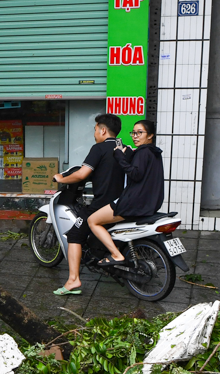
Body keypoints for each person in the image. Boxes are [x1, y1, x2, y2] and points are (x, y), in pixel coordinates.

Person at [50, 114, 124, 295]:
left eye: (95, 129)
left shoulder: (98, 148)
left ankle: (73, 280)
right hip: (122, 202)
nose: (94, 134)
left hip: (102, 204)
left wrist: (62, 178)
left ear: (103, 130)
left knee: (75, 234)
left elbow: (82, 174)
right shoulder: (122, 147)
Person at [87, 119, 165, 264]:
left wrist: (120, 157)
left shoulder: (143, 152)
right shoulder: (154, 152)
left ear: (150, 135)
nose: (135, 136)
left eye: (140, 133)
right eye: (133, 133)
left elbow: (135, 174)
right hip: (150, 203)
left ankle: (116, 254)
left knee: (92, 221)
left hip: (134, 202)